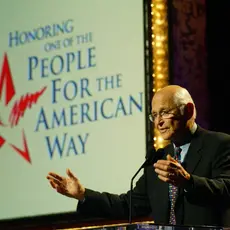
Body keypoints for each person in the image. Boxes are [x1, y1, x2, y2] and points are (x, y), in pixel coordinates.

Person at [47, 85, 230, 226]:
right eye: (154, 115)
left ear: (188, 110)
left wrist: (188, 181)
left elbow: (226, 190)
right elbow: (128, 205)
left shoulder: (220, 144)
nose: (158, 122)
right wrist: (83, 194)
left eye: (164, 113)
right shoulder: (159, 158)